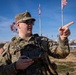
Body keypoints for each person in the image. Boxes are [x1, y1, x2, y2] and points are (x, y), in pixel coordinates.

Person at [0, 11, 74, 75]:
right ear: (18, 25)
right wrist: (15, 66)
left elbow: (62, 53)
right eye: (27, 22)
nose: (30, 24)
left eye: (31, 22)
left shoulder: (42, 41)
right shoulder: (9, 47)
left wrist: (63, 38)